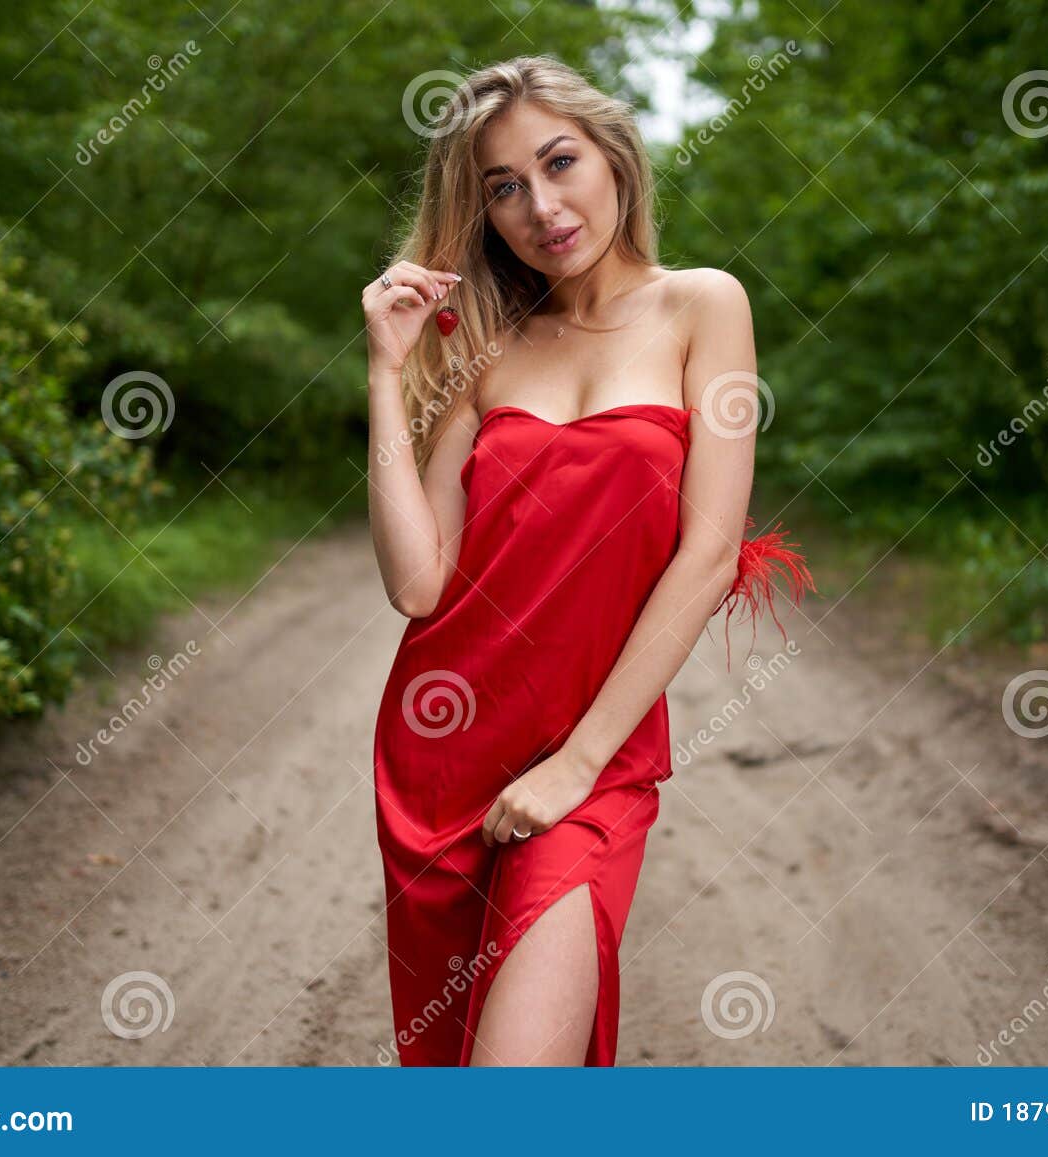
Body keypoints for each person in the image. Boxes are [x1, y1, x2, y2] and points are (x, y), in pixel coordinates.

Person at [363, 54, 814, 1066]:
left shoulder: (702, 305)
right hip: (441, 757)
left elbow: (705, 556)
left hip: (590, 763)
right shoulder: (490, 348)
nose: (541, 205)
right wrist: (387, 374)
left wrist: (576, 762)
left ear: (613, 154)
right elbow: (416, 581)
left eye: (559, 161)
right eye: (503, 186)